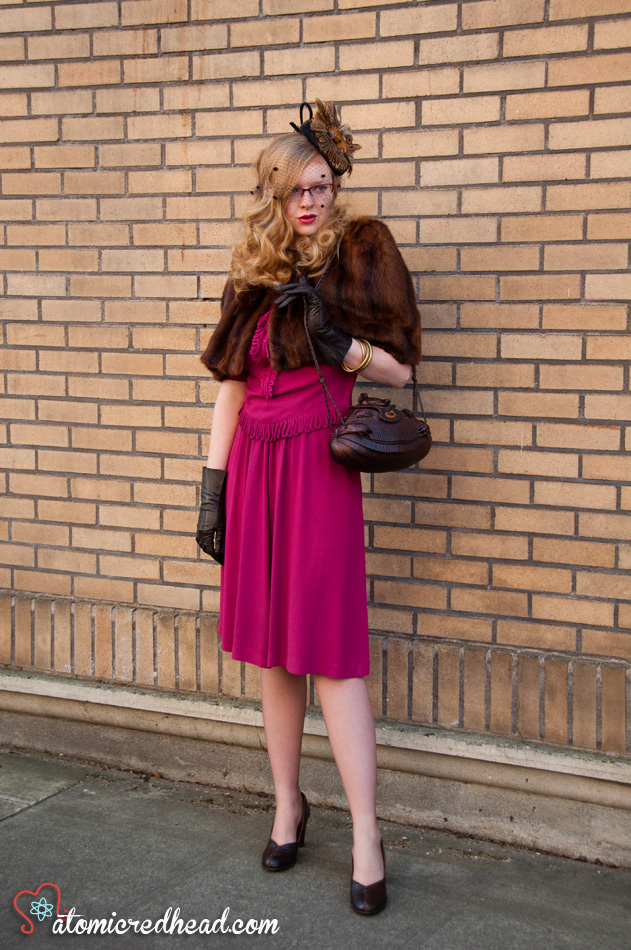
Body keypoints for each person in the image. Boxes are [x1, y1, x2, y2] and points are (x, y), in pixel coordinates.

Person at [197, 100, 422, 916]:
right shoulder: (251, 275)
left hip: (319, 473)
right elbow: (230, 391)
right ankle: (288, 804)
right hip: (255, 468)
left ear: (336, 187)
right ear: (273, 194)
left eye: (321, 185)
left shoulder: (361, 257)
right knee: (272, 654)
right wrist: (211, 489)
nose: (310, 201)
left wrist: (342, 346)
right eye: (295, 188)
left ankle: (366, 833)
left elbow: (400, 371)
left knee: (331, 654)